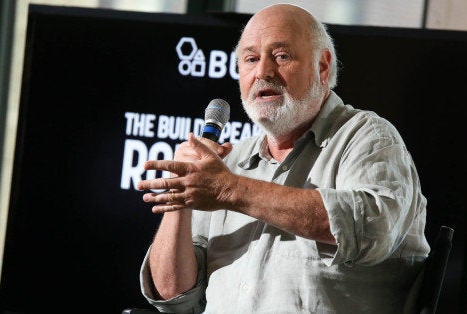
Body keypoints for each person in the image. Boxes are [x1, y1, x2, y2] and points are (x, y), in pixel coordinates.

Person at [137, 3, 430, 313]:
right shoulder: (230, 163)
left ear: (322, 66)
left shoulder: (368, 137)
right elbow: (174, 297)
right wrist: (181, 195)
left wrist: (229, 190)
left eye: (281, 57)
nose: (263, 72)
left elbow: (372, 229)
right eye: (251, 59)